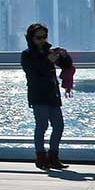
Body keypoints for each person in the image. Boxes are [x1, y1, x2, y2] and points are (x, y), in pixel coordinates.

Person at [22, 23, 75, 170]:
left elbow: (65, 65)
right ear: (31, 38)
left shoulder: (48, 51)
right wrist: (48, 61)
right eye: (38, 37)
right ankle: (40, 157)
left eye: (44, 37)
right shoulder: (26, 54)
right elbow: (33, 73)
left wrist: (64, 56)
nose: (42, 40)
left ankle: (53, 156)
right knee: (42, 125)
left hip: (52, 93)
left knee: (59, 125)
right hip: (38, 94)